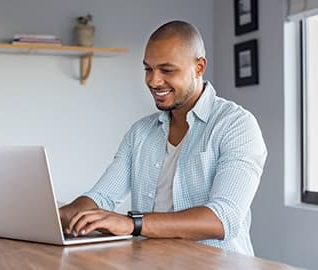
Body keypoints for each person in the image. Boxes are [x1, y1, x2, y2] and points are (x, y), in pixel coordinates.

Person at [59, 20, 267, 256]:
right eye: (148, 69)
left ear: (199, 67)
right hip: (153, 262)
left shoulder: (236, 125)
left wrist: (132, 223)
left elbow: (223, 218)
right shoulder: (140, 133)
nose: (153, 81)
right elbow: (102, 197)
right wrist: (61, 215)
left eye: (167, 70)